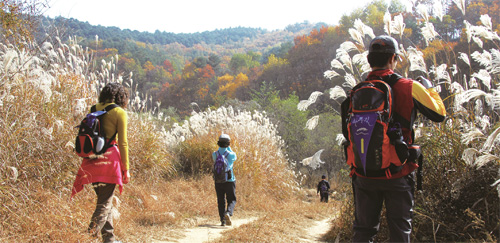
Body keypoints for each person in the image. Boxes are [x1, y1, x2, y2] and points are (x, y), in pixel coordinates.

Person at [344, 35, 446, 242]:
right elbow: (439, 115)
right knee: (400, 231)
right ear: (394, 58)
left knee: (363, 231)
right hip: (399, 171)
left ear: (369, 60)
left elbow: (347, 133)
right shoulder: (410, 87)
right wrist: (432, 90)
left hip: (364, 172)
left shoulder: (357, 91)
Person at [71, 82, 130, 243]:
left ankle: (109, 239)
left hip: (91, 161)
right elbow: (123, 143)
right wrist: (127, 168)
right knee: (105, 203)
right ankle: (89, 235)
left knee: (105, 202)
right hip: (110, 162)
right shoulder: (120, 112)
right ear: (121, 97)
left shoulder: (93, 109)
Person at [212, 134, 237, 226]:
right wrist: (228, 148)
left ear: (218, 143)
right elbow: (234, 157)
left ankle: (222, 220)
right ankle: (228, 213)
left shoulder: (214, 154)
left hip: (218, 181)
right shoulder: (231, 155)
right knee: (232, 199)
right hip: (230, 180)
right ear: (228, 143)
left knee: (220, 200)